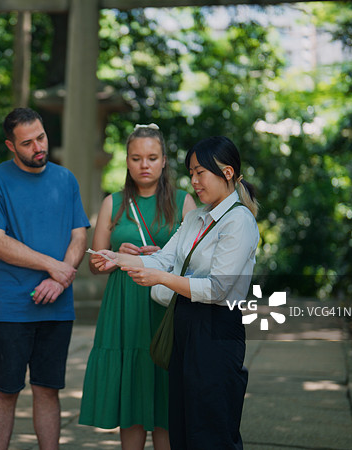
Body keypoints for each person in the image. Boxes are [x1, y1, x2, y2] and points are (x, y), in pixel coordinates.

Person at [92, 136, 259, 449]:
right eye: (191, 173)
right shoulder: (196, 217)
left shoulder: (239, 221)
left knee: (211, 427)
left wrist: (161, 278)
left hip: (217, 328)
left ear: (226, 172)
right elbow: (164, 257)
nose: (194, 181)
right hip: (185, 323)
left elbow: (218, 289)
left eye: (200, 173)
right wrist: (118, 258)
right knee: (182, 424)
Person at [0, 107, 90, 450]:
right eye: (27, 143)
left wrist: (60, 279)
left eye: (41, 137)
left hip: (58, 307)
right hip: (10, 308)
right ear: (11, 145)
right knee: (6, 390)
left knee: (48, 390)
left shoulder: (65, 179)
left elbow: (79, 236)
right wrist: (53, 266)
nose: (38, 147)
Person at [80, 123, 195, 450]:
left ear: (163, 162)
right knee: (131, 395)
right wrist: (116, 255)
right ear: (128, 162)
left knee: (165, 397)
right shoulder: (112, 203)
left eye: (152, 157)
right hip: (124, 305)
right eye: (136, 157)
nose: (144, 164)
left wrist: (164, 256)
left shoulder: (185, 202)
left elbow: (195, 262)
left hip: (165, 302)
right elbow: (94, 263)